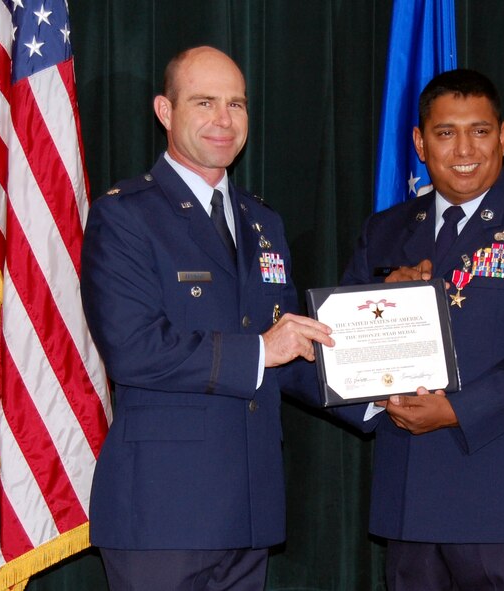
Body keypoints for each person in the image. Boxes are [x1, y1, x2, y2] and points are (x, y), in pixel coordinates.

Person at [80, 46, 334, 591]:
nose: (224, 120)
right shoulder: (124, 215)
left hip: (249, 509)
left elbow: (284, 351)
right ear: (164, 112)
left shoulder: (262, 220)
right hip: (162, 513)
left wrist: (378, 389)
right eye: (204, 103)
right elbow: (134, 348)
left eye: (237, 104)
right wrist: (264, 350)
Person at [335, 69, 504, 589]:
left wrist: (457, 409)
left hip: (503, 502)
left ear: (503, 135)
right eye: (445, 133)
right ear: (419, 142)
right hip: (410, 501)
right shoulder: (385, 230)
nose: (463, 149)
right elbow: (342, 349)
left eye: (479, 130)